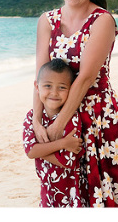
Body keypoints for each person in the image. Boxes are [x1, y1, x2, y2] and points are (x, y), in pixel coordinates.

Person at [32, 0, 118, 207]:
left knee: (106, 189)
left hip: (97, 115)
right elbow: (40, 79)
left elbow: (85, 78)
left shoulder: (101, 21)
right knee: (64, 188)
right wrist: (38, 121)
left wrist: (58, 124)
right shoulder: (47, 21)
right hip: (57, 110)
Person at [22, 58, 84, 207]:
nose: (54, 93)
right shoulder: (32, 118)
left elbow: (67, 161)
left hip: (71, 192)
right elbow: (30, 152)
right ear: (37, 87)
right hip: (47, 188)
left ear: (71, 89)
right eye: (48, 86)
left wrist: (38, 149)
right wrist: (62, 143)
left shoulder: (72, 118)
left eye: (62, 87)